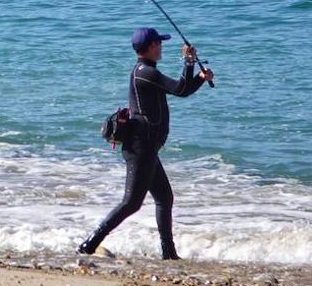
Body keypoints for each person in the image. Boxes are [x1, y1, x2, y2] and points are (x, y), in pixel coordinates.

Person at [79, 27, 213, 260]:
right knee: (131, 203)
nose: (161, 46)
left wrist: (200, 78)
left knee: (164, 198)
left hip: (147, 148)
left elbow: (184, 90)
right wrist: (189, 62)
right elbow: (180, 89)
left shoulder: (147, 73)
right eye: (159, 43)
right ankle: (89, 244)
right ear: (151, 46)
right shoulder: (145, 73)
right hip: (140, 148)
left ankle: (169, 253)